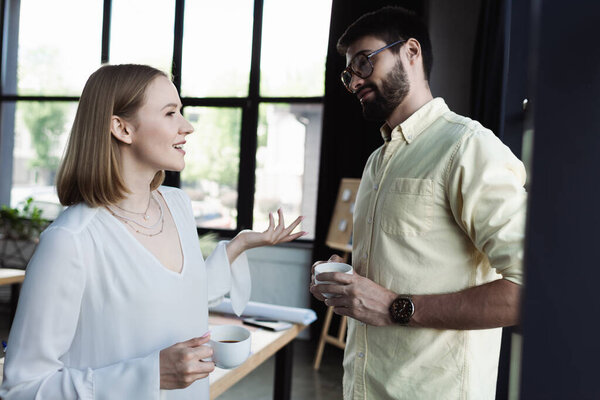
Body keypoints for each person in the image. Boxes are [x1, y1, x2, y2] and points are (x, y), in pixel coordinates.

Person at [0, 64, 306, 399]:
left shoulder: (177, 205)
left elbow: (176, 297)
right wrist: (149, 375)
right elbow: (23, 388)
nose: (187, 127)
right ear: (122, 128)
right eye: (171, 113)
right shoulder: (70, 241)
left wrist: (239, 245)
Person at [310, 6, 526, 400]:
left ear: (411, 52)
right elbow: (410, 263)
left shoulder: (468, 147)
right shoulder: (377, 161)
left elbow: (529, 290)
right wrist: (345, 279)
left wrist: (395, 307)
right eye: (348, 73)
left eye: (363, 62)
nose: (354, 80)